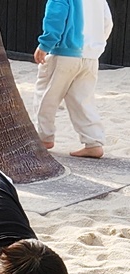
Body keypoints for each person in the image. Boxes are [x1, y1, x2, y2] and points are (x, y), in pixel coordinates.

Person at [33, 0, 113, 159]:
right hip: (90, 57)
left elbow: (56, 16)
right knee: (83, 101)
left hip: (64, 53)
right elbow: (107, 22)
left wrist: (45, 44)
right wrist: (96, 46)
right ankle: (93, 143)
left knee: (46, 96)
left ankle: (44, 137)